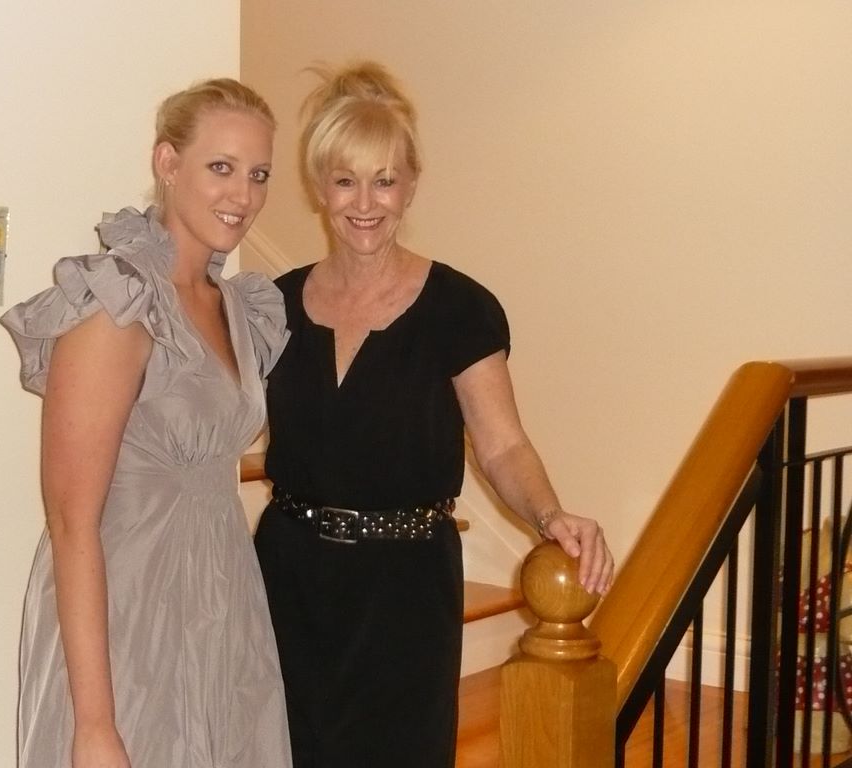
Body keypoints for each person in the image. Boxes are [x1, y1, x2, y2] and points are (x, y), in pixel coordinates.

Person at [253, 61, 614, 768]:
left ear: (412, 184)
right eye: (345, 180)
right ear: (319, 187)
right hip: (287, 578)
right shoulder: (274, 305)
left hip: (406, 587)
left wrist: (550, 514)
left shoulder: (459, 308)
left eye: (385, 180)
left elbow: (503, 446)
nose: (366, 203)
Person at [0, 78, 292, 768]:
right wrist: (96, 725)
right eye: (221, 167)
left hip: (223, 600)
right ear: (168, 162)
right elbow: (71, 521)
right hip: (126, 620)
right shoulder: (118, 303)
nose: (243, 195)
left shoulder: (237, 305)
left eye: (258, 175)